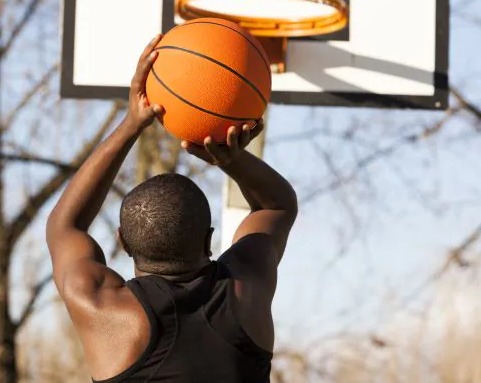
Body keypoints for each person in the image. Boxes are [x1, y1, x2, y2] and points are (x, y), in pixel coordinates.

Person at [46, 34, 298, 383]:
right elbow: (279, 205)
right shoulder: (245, 287)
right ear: (210, 240)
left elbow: (65, 225)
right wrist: (231, 159)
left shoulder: (104, 308)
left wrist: (131, 123)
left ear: (122, 242)